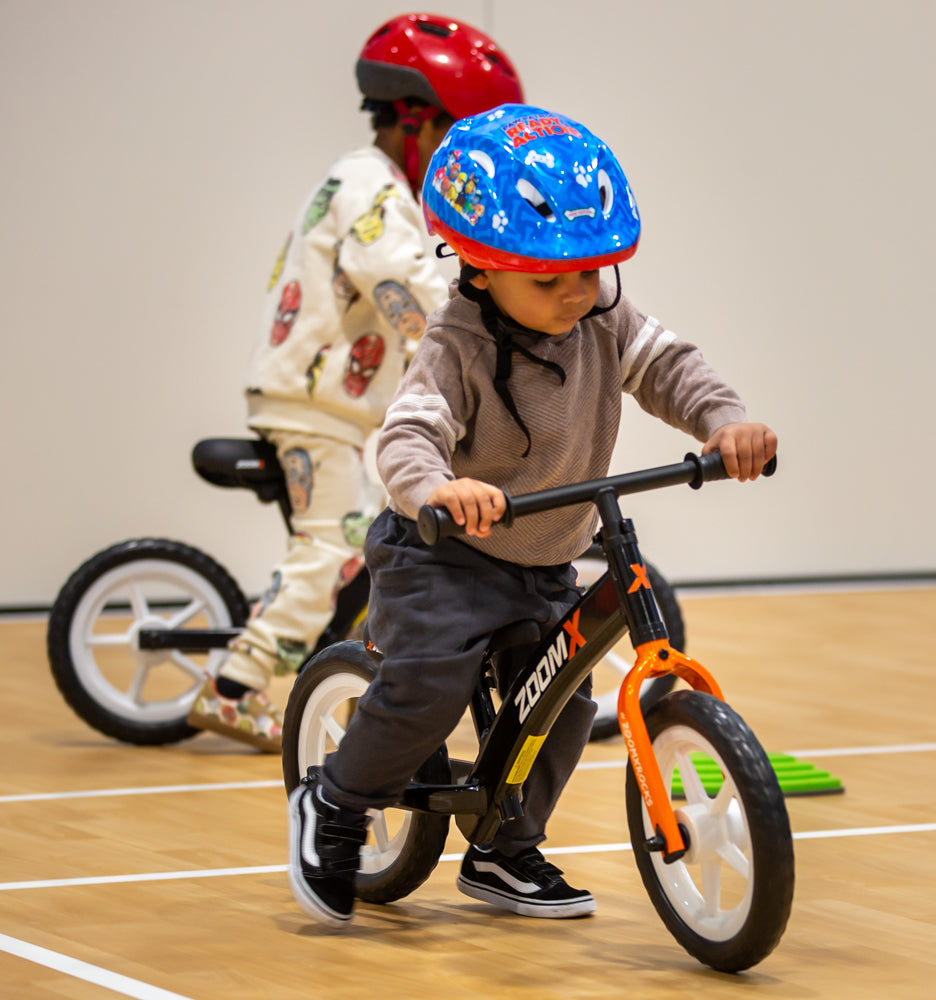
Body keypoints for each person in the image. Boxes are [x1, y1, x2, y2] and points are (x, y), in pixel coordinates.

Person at [286, 104, 777, 928]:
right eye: (549, 279)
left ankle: (502, 849)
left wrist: (723, 421)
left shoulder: (601, 316)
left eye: (590, 271)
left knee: (565, 702)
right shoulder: (456, 345)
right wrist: (439, 488)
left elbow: (670, 368)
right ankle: (334, 803)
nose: (576, 295)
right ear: (479, 266)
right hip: (442, 555)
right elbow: (408, 434)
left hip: (546, 552)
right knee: (427, 687)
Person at [188, 14, 525, 752]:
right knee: (334, 544)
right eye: (458, 139)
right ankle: (234, 685)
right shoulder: (372, 196)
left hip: (335, 405)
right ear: (416, 123)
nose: (466, 162)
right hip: (318, 409)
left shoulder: (375, 186)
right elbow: (415, 298)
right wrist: (505, 339)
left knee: (378, 533)